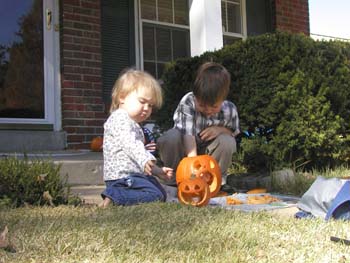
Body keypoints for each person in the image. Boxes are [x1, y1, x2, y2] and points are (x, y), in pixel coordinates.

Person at [157, 62, 240, 193]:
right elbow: (187, 135)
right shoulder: (188, 101)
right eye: (202, 105)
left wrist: (220, 130)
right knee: (170, 137)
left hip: (209, 152)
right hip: (185, 149)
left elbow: (233, 132)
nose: (207, 110)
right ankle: (173, 180)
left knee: (227, 141)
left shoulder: (230, 109)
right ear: (195, 96)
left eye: (214, 107)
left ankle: (216, 181)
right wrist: (192, 167)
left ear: (223, 99)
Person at [99, 69, 173, 208]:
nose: (146, 108)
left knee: (160, 193)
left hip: (133, 177)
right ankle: (115, 197)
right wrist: (144, 158)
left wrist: (157, 171)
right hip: (123, 178)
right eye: (142, 102)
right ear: (122, 97)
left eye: (150, 105)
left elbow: (135, 154)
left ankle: (118, 196)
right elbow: (130, 143)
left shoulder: (133, 123)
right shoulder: (119, 118)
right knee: (155, 195)